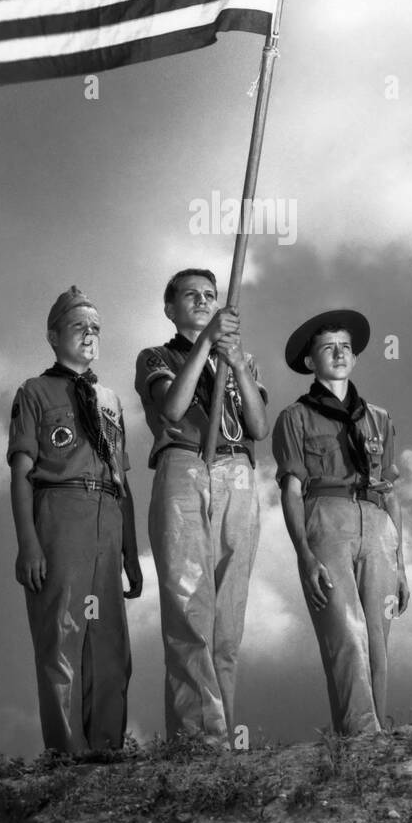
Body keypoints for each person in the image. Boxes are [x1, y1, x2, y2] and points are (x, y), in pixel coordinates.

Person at [7, 286, 142, 756]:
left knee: (108, 642)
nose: (89, 335)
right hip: (60, 511)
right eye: (78, 326)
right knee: (63, 633)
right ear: (53, 335)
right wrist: (28, 543)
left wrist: (131, 550)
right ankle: (67, 751)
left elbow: (122, 477)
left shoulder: (110, 399)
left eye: (96, 328)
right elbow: (22, 472)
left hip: (107, 514)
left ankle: (107, 745)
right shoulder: (35, 392)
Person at [135, 269, 268, 744]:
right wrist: (205, 346)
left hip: (237, 471)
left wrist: (232, 361)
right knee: (190, 606)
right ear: (170, 308)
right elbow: (171, 409)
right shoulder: (156, 355)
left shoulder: (241, 359)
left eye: (209, 296)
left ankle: (224, 734)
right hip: (185, 466)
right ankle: (196, 738)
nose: (202, 300)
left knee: (228, 619)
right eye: (190, 295)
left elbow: (257, 425)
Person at [272, 309, 409, 736]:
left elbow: (390, 491)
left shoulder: (379, 419)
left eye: (346, 347)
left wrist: (401, 561)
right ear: (310, 361)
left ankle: (376, 736)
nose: (339, 353)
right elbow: (291, 490)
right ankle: (359, 738)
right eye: (328, 347)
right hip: (326, 517)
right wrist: (305, 556)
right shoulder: (294, 417)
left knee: (377, 641)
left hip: (377, 522)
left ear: (355, 358)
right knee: (346, 635)